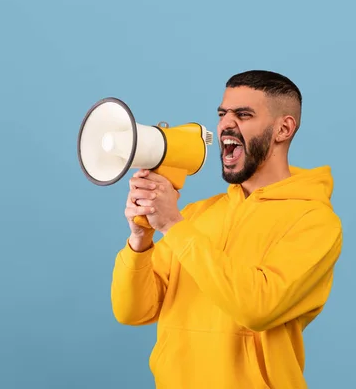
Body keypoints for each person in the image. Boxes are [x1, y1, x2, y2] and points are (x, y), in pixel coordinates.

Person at [110, 70, 343, 388]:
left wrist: (173, 225)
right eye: (222, 114)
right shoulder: (196, 215)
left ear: (283, 128)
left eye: (243, 115)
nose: (225, 124)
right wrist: (140, 241)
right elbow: (132, 312)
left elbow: (256, 308)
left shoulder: (314, 222)